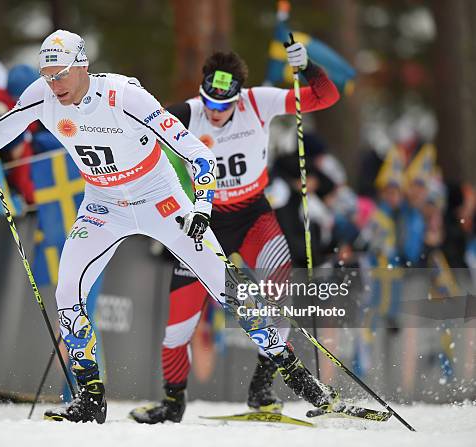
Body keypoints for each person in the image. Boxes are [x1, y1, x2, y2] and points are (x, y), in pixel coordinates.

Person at [0, 29, 341, 424]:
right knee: (68, 290)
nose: (55, 84)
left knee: (229, 291)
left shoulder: (124, 96)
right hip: (103, 204)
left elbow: (198, 154)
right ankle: (90, 396)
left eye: (61, 74)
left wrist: (202, 207)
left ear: (83, 66)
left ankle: (301, 380)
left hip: (158, 198)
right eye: (48, 75)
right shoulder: (42, 95)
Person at [129, 51, 340, 423]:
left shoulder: (258, 102)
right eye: (209, 101)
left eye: (223, 104)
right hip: (204, 226)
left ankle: (261, 388)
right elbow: (134, 131)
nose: (214, 112)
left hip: (253, 216)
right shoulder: (187, 113)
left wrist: (306, 67)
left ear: (238, 97)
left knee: (277, 298)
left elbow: (326, 98)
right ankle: (172, 402)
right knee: (177, 329)